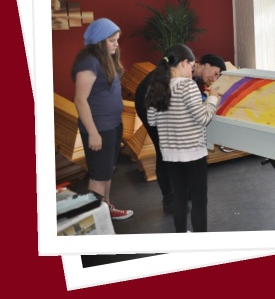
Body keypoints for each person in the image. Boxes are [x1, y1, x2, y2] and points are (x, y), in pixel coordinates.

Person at [144, 44, 221, 233]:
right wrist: (213, 99)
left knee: (179, 199)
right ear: (185, 63)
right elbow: (203, 118)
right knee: (199, 201)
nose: (192, 72)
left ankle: (181, 238)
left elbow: (152, 121)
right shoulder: (188, 86)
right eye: (192, 67)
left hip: (170, 155)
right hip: (193, 153)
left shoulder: (157, 87)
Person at [72, 18, 133, 220]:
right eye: (112, 40)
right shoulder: (88, 63)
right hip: (99, 128)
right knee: (99, 176)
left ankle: (106, 209)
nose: (116, 44)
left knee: (107, 172)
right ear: (99, 41)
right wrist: (93, 133)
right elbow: (80, 100)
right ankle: (96, 223)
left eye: (117, 39)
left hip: (112, 125)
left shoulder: (106, 59)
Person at [134, 69, 174, 213]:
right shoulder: (165, 79)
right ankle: (169, 199)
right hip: (147, 104)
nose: (214, 78)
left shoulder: (185, 74)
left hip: (154, 107)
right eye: (215, 73)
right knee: (163, 150)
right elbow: (152, 118)